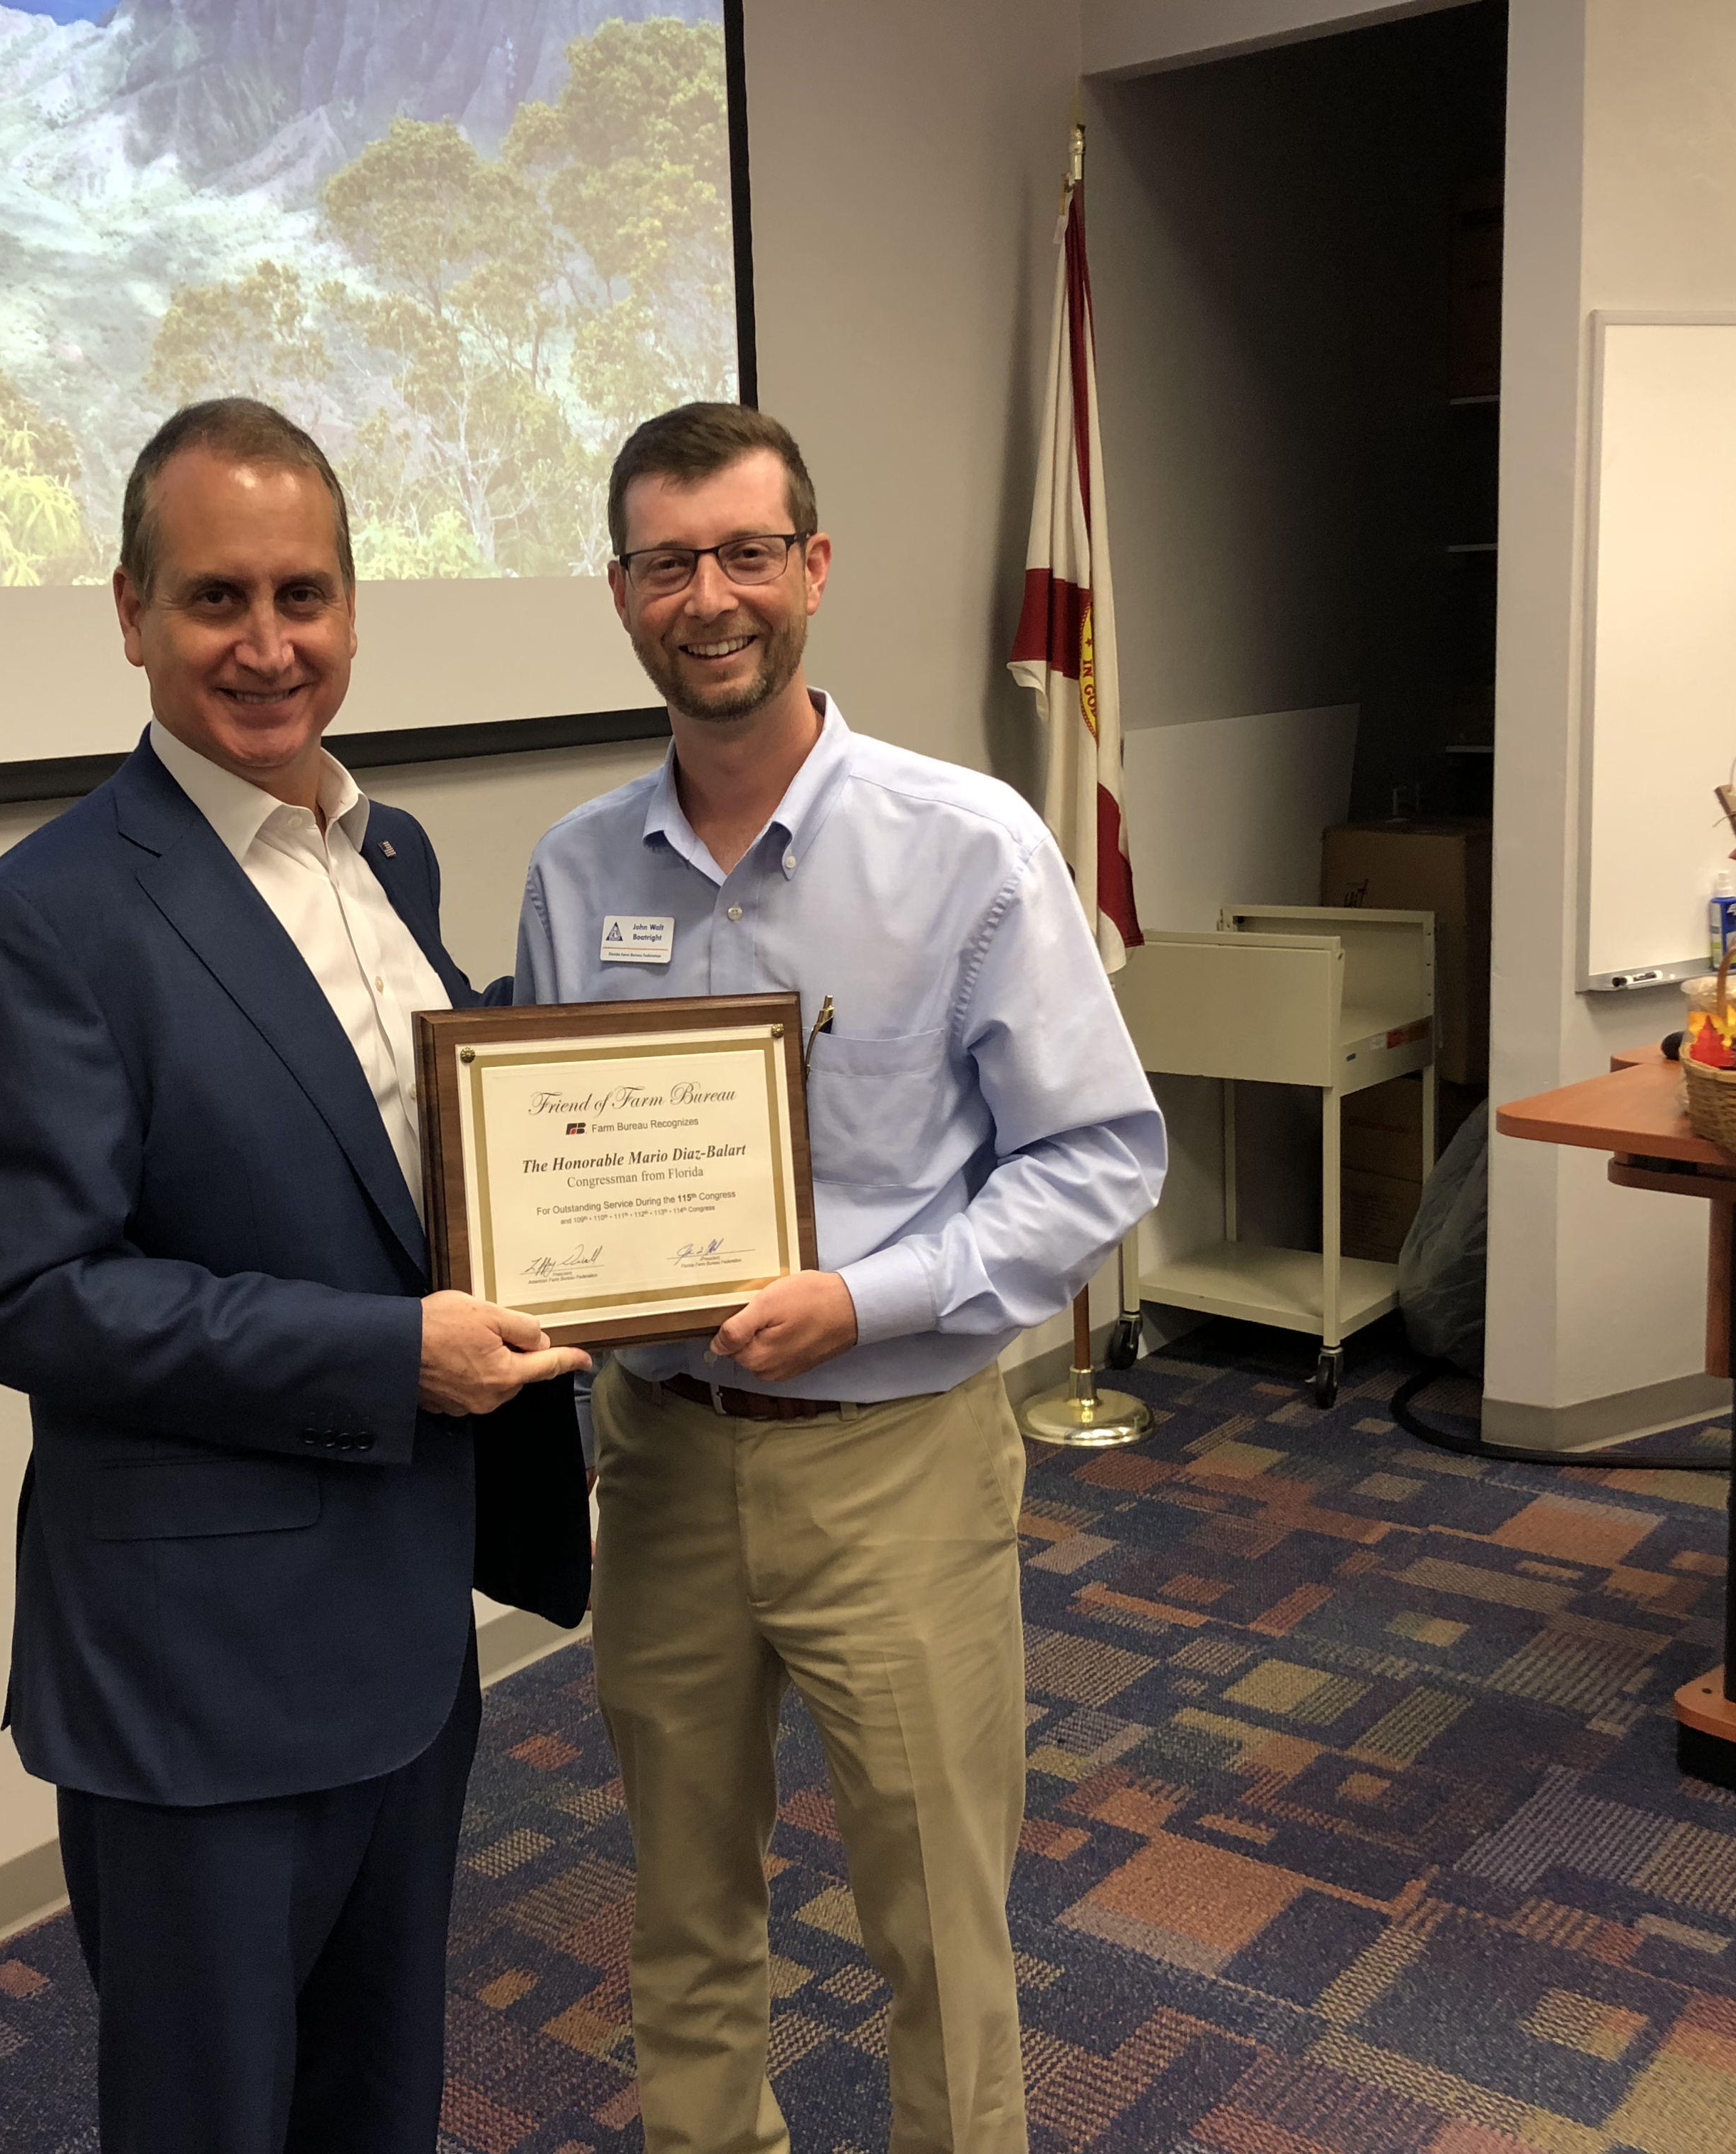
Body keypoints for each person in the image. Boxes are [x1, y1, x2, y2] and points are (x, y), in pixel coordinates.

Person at [0, 397, 593, 2154]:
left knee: (377, 2096)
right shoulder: (47, 916)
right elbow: (29, 1297)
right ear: (130, 612)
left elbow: (396, 1174)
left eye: (305, 594)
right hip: (197, 1663)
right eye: (217, 598)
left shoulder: (394, 853)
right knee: (213, 2115)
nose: (268, 643)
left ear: (358, 608)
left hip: (401, 1619)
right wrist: (391, 1357)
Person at [515, 402, 1167, 2154]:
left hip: (893, 1463)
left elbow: (1102, 1156)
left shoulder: (968, 847)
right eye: (667, 562)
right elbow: (546, 1169)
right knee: (681, 1913)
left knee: (937, 1933)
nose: (707, 596)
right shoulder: (575, 874)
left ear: (814, 569)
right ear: (623, 592)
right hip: (657, 1460)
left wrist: (862, 1299)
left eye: (744, 553)